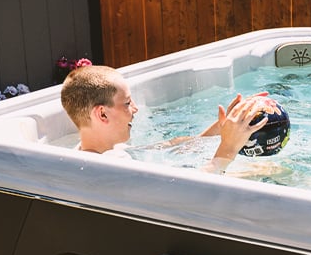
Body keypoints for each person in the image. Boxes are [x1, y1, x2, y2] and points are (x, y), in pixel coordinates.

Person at [60, 64, 269, 174]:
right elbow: (191, 195)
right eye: (127, 103)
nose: (135, 109)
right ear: (102, 114)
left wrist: (219, 129)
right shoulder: (108, 168)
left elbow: (168, 148)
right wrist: (229, 148)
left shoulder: (98, 151)